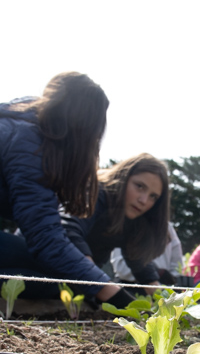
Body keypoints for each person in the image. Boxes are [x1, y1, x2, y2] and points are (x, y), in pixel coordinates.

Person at [0, 72, 134, 308]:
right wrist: (116, 296)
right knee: (49, 272)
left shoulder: (21, 126)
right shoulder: (29, 144)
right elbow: (47, 240)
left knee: (53, 275)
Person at [60, 153, 170, 296]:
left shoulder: (132, 219)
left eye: (153, 196)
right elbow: (67, 232)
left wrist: (164, 302)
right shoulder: (95, 193)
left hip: (82, 285)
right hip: (40, 267)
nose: (143, 200)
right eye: (140, 186)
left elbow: (138, 261)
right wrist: (103, 287)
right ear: (123, 177)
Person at [110, 222, 183, 290]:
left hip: (162, 287)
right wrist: (154, 275)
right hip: (130, 287)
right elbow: (122, 268)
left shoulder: (168, 227)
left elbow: (177, 266)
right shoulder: (125, 223)